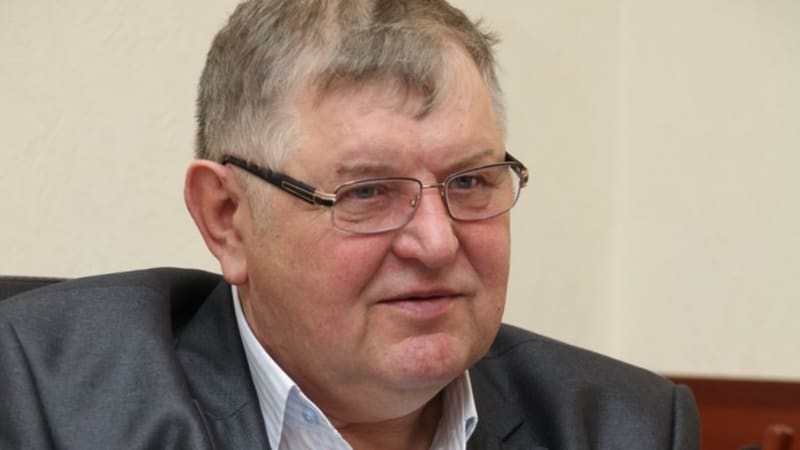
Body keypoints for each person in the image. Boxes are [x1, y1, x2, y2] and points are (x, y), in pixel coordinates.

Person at [0, 1, 700, 449]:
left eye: (469, 181)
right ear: (227, 219)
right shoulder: (41, 397)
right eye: (367, 193)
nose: (437, 243)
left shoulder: (626, 428)